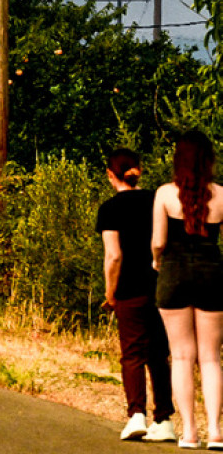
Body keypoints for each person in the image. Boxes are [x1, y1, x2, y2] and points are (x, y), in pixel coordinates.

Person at [95, 147, 175, 442]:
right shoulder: (159, 201)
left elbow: (113, 256)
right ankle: (164, 418)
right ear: (140, 169)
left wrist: (110, 292)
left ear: (110, 174)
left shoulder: (110, 209)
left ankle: (136, 414)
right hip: (162, 284)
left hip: (129, 287)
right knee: (158, 353)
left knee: (132, 353)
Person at [153, 131, 223, 449]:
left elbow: (158, 242)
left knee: (181, 356)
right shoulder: (221, 195)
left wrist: (157, 262)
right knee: (210, 358)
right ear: (209, 160)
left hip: (174, 274)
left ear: (178, 160)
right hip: (211, 275)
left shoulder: (165, 194)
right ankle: (217, 431)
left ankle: (190, 433)